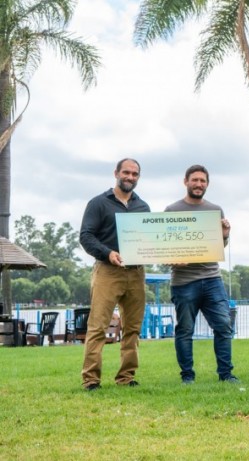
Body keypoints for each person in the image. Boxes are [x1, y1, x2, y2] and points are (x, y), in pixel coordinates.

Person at [79, 158, 150, 391]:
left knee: (132, 328)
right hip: (108, 272)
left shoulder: (143, 207)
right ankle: (91, 380)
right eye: (126, 172)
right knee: (97, 326)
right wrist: (108, 253)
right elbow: (86, 237)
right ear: (116, 173)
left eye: (135, 174)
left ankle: (126, 377)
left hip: (136, 273)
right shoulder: (98, 203)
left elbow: (150, 240)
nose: (130, 177)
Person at [165, 164, 237, 384]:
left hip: (212, 278)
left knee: (224, 326)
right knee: (185, 330)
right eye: (194, 180)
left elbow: (217, 246)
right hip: (184, 281)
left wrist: (225, 235)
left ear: (207, 184)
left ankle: (226, 375)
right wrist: (173, 258)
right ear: (185, 181)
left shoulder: (216, 210)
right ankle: (187, 375)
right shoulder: (171, 211)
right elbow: (164, 247)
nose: (198, 184)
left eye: (202, 181)